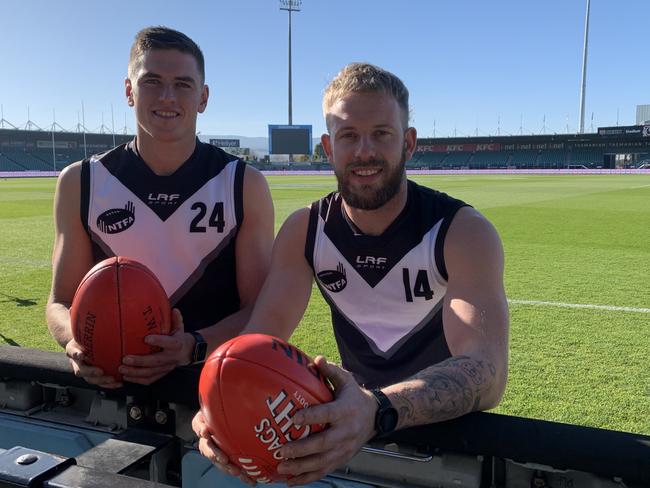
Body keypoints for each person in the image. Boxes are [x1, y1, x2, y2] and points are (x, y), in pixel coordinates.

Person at [193, 62, 509, 486]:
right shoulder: (305, 229)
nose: (364, 151)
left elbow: (486, 371)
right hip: (349, 441)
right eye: (348, 136)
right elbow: (256, 340)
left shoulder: (462, 231)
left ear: (409, 142)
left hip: (448, 450)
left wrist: (377, 409)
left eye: (381, 133)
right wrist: (217, 406)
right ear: (328, 146)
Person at [46, 26, 274, 389]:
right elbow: (59, 302)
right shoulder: (81, 181)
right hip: (112, 388)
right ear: (128, 91)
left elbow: (260, 312)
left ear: (203, 97)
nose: (168, 96)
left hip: (214, 389)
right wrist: (73, 341)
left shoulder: (243, 184)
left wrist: (193, 346)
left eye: (183, 84)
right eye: (152, 81)